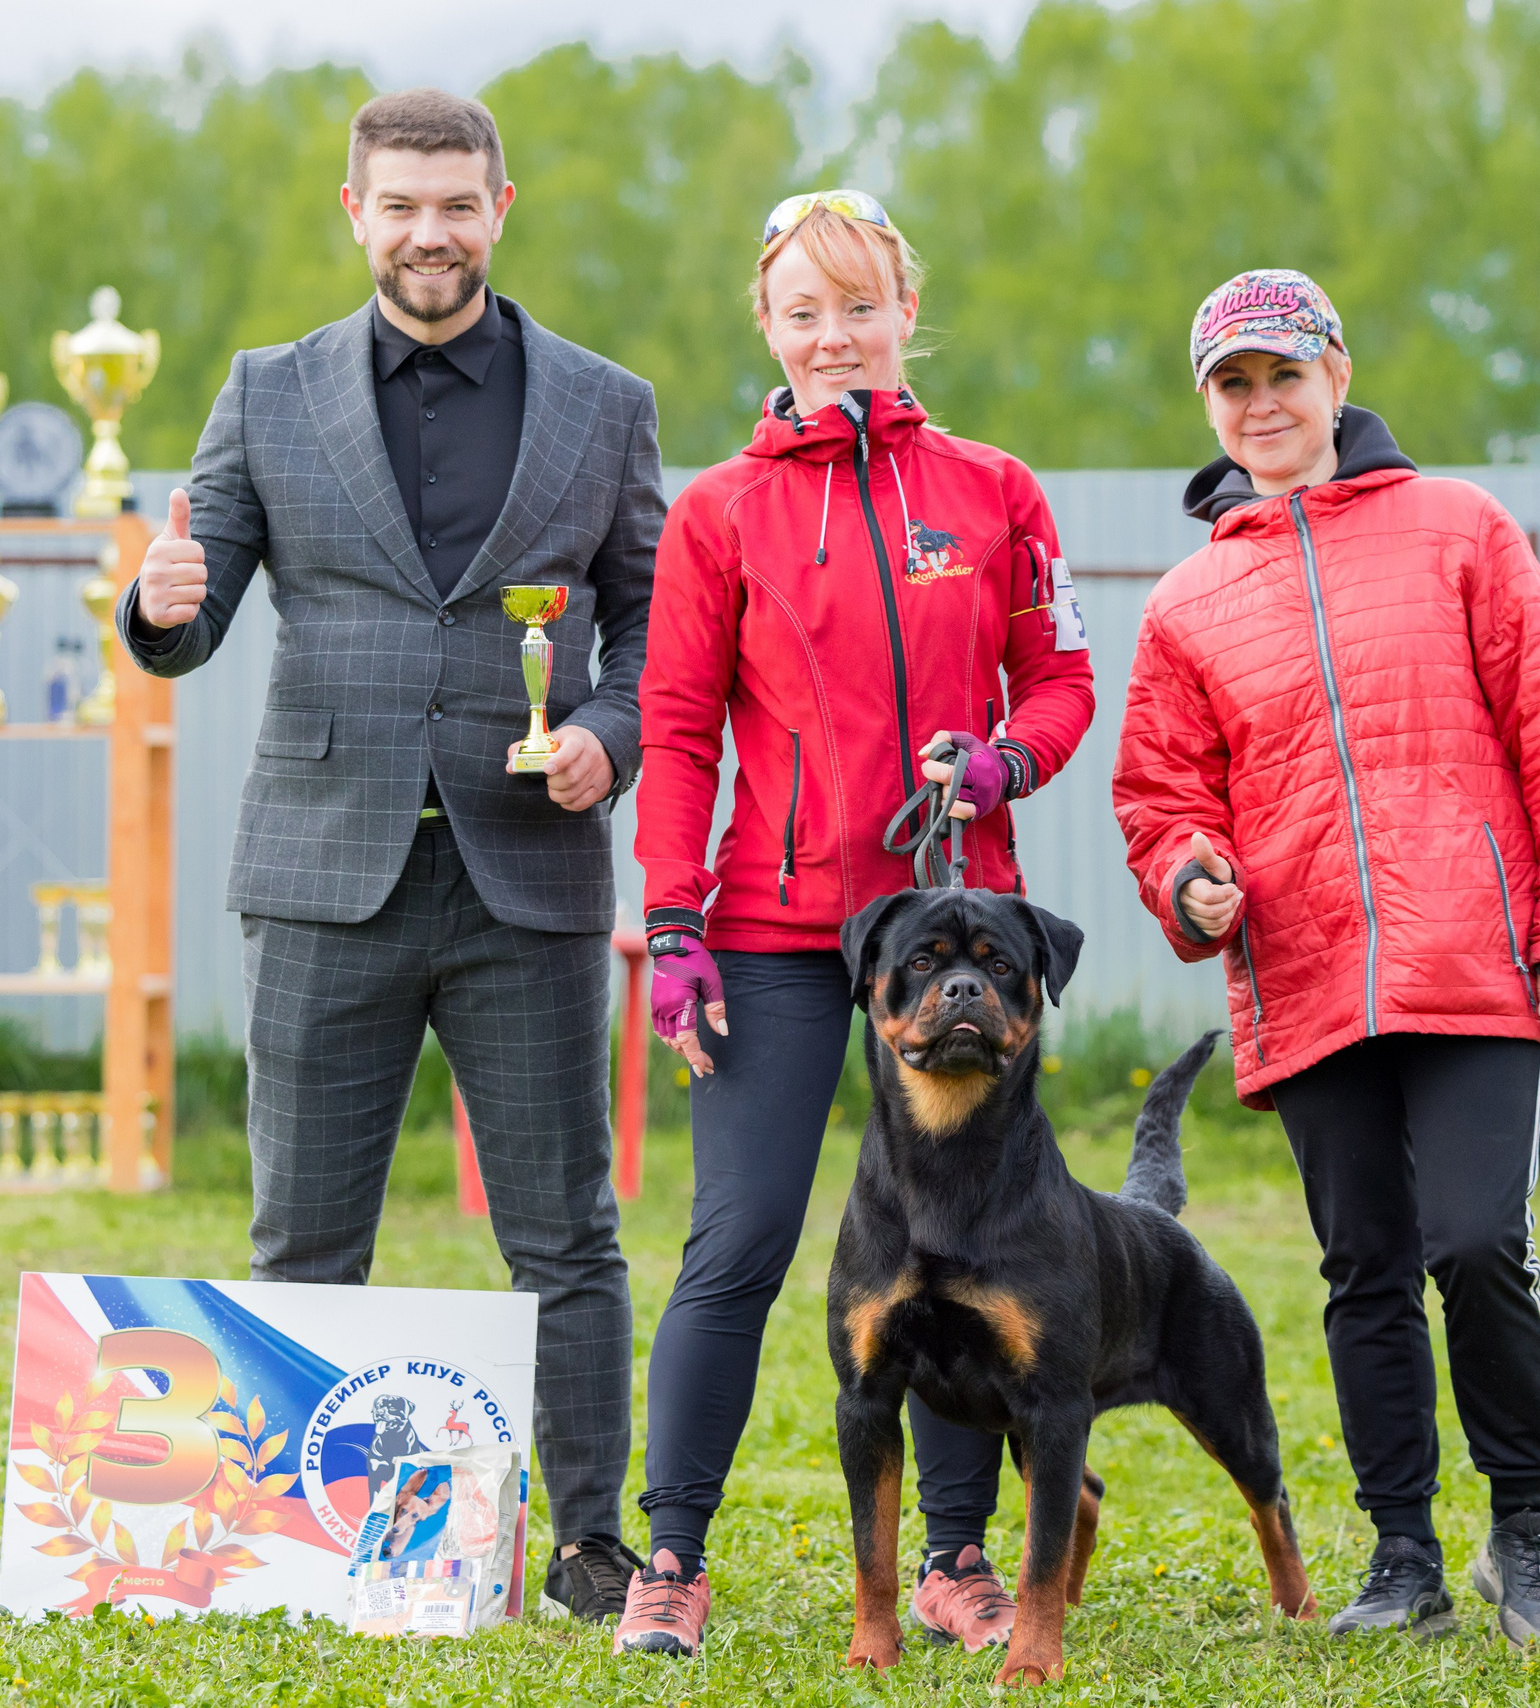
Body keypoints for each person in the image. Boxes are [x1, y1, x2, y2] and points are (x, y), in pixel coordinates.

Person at [120, 87, 661, 1624]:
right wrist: (158, 603)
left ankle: (590, 1544)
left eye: (457, 204)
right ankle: (296, 1543)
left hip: (527, 879)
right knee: (303, 1233)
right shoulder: (265, 391)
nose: (432, 232)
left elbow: (653, 627)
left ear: (502, 208)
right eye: (402, 205)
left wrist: (606, 735)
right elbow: (194, 613)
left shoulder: (604, 404)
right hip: (319, 878)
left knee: (566, 1235)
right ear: (356, 213)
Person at [1111, 269, 1540, 1647]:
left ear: (1338, 376)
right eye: (1234, 383)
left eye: (1284, 374)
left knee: (1477, 1243)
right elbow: (1161, 798)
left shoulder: (1461, 529)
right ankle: (1402, 1555)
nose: (1262, 404)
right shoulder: (1186, 603)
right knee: (1363, 1267)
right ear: (1209, 406)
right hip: (1306, 975)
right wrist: (1189, 878)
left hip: (1477, 959)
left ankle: (1522, 1530)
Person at [615, 190, 1097, 1657]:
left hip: (949, 936)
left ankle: (957, 1561)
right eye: (805, 311)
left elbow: (1063, 682)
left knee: (964, 1248)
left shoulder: (997, 490)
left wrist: (1004, 761)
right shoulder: (718, 511)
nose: (836, 336)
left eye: (861, 306)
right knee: (741, 1237)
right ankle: (671, 1559)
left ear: (905, 312)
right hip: (769, 927)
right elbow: (677, 729)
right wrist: (673, 921)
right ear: (768, 326)